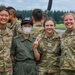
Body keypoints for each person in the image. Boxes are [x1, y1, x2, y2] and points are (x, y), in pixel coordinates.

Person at [0, 6, 13, 75]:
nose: (4, 18)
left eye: (6, 16)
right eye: (1, 15)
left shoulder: (10, 33)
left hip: (7, 69)